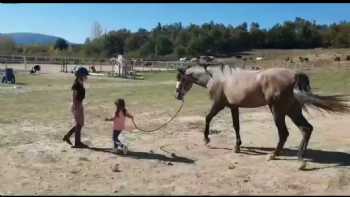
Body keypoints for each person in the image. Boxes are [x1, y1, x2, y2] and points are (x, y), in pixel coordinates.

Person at [63, 67, 89, 148]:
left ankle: (68, 136)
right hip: (76, 104)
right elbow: (74, 96)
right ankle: (77, 143)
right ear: (80, 75)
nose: (86, 77)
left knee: (80, 123)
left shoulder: (80, 82)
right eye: (85, 75)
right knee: (79, 124)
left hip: (79, 104)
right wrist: (75, 106)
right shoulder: (76, 84)